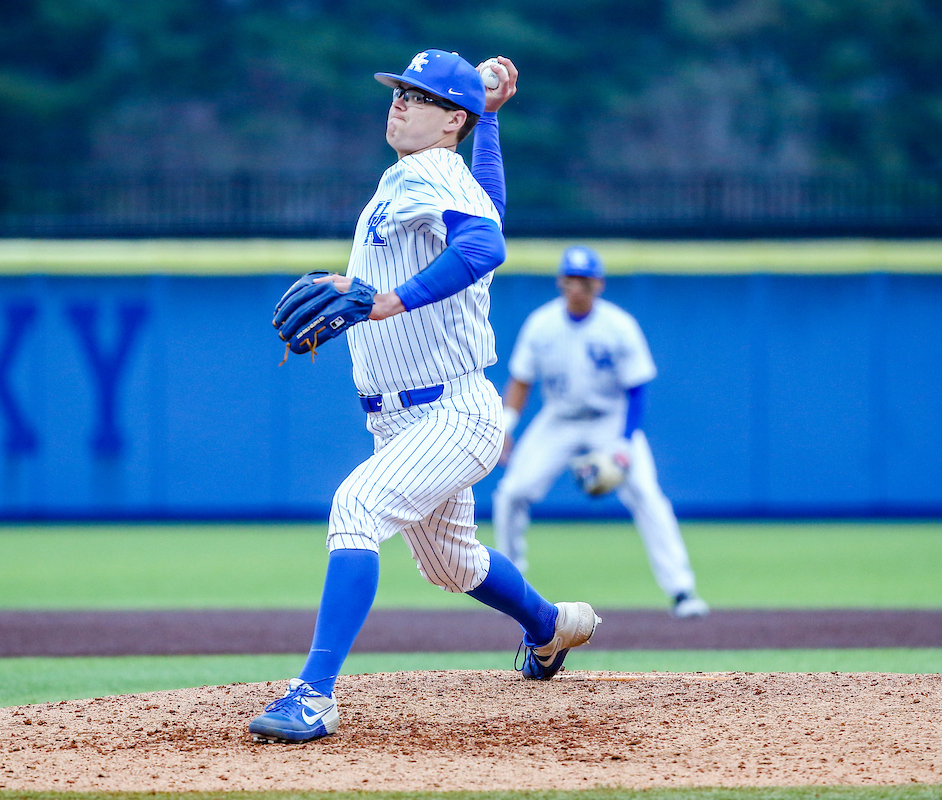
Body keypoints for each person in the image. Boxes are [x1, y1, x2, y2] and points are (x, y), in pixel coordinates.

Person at [248, 51, 600, 744]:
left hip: (452, 410)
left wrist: (386, 301)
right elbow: (489, 210)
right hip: (405, 418)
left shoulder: (429, 170)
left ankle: (313, 695)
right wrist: (491, 125)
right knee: (452, 564)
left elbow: (485, 244)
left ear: (450, 121)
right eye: (399, 91)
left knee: (355, 507)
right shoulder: (420, 174)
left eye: (420, 95)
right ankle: (552, 627)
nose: (400, 102)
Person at [491, 245, 710, 619]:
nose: (578, 287)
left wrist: (625, 444)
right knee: (511, 493)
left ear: (599, 284)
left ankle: (681, 590)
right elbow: (521, 380)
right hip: (558, 419)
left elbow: (637, 389)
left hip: (611, 420)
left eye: (586, 281)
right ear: (561, 281)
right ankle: (511, 588)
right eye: (571, 279)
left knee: (646, 495)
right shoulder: (541, 324)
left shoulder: (618, 325)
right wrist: (506, 426)